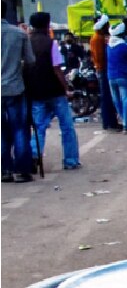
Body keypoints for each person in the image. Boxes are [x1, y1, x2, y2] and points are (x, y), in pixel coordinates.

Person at [24, 12, 81, 171]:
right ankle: (70, 160)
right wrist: (66, 87)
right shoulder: (51, 44)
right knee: (67, 126)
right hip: (55, 92)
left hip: (36, 91)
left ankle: (35, 155)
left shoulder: (27, 42)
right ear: (47, 25)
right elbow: (57, 68)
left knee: (39, 126)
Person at [2, 15, 35, 182]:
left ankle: (4, 170)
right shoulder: (19, 34)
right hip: (15, 88)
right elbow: (30, 60)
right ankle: (22, 171)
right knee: (19, 129)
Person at [90, 16, 122, 131]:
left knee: (107, 97)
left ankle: (109, 122)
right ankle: (110, 122)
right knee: (107, 97)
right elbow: (101, 57)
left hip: (102, 69)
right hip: (103, 69)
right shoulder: (98, 39)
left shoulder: (97, 37)